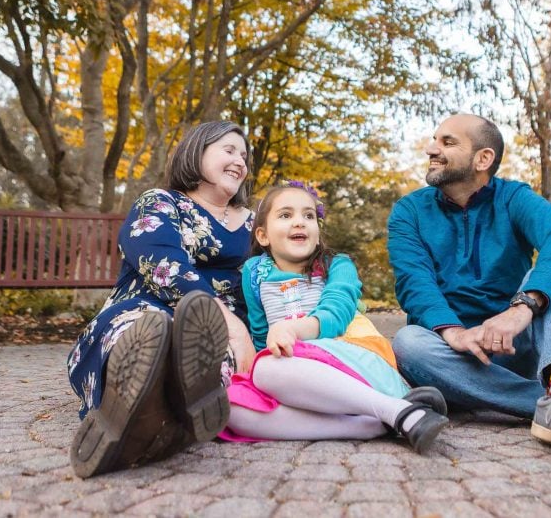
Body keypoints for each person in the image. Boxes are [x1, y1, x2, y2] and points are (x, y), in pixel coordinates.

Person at [388, 114, 551, 458]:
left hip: (513, 347)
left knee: (550, 280)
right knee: (408, 342)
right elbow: (414, 280)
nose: (430, 149)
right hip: (449, 359)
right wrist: (454, 333)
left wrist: (522, 307)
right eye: (435, 140)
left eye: (447, 142)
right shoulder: (409, 211)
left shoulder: (514, 199)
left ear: (483, 159)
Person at [66, 120, 257, 478]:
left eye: (244, 156)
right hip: (147, 309)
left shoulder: (257, 224)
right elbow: (161, 261)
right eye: (229, 150)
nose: (240, 162)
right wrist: (228, 323)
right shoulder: (160, 202)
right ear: (195, 152)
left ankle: (153, 420)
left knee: (203, 354)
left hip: (213, 338)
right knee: (148, 333)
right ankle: (141, 401)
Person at [219, 182, 449, 453]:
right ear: (263, 235)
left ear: (317, 231)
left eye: (308, 216)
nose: (299, 223)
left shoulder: (336, 265)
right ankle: (372, 425)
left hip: (350, 355)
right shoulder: (254, 272)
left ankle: (393, 407)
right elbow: (261, 331)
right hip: (296, 376)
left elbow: (336, 312)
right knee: (233, 406)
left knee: (268, 368)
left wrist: (292, 330)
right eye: (285, 215)